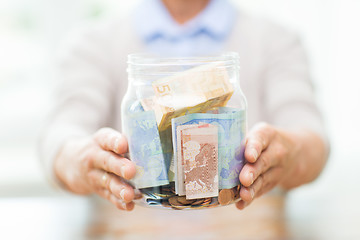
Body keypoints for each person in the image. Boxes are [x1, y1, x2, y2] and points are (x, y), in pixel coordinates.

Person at [40, 0, 329, 213]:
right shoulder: (93, 42)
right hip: (131, 228)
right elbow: (61, 134)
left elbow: (313, 138)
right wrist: (77, 158)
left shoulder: (276, 40)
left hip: (248, 227)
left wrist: (290, 150)